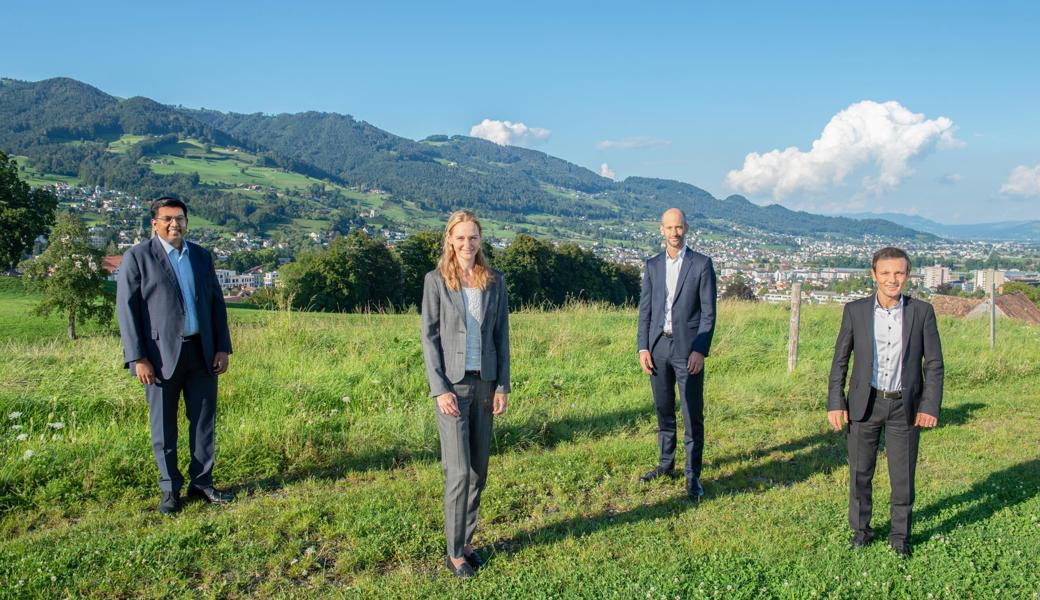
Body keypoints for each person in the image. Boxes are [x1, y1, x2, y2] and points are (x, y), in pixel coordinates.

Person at [116, 197, 234, 514]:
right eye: (167, 218)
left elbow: (215, 304)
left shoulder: (200, 256)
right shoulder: (138, 257)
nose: (174, 224)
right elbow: (127, 312)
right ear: (153, 223)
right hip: (159, 358)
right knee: (164, 426)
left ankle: (202, 483)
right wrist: (137, 357)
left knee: (203, 423)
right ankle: (170, 490)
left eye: (180, 218)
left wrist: (222, 346)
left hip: (202, 352)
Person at [828, 246, 944, 558]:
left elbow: (933, 364)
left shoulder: (922, 312)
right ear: (874, 275)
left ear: (907, 275)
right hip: (864, 405)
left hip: (904, 408)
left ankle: (900, 537)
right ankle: (861, 531)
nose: (892, 279)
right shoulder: (855, 311)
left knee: (902, 477)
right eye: (885, 273)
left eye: (899, 273)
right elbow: (840, 360)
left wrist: (929, 406)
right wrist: (835, 402)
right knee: (859, 473)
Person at [420, 210, 510, 578]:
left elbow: (501, 338)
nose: (467, 244)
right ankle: (454, 553)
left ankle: (468, 541)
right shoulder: (436, 280)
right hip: (452, 389)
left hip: (485, 383)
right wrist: (439, 388)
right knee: (458, 472)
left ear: (480, 240)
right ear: (450, 241)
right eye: (460, 238)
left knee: (478, 472)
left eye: (473, 237)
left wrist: (502, 385)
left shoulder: (494, 281)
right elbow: (429, 338)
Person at [637, 208, 717, 502]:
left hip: (688, 349)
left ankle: (693, 475)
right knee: (663, 409)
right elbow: (645, 311)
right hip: (658, 348)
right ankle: (665, 464)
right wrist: (643, 346)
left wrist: (700, 349)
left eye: (679, 227)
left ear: (686, 228)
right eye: (669, 227)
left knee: (691, 413)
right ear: (661, 230)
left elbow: (709, 314)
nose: (674, 232)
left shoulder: (702, 265)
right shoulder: (653, 265)